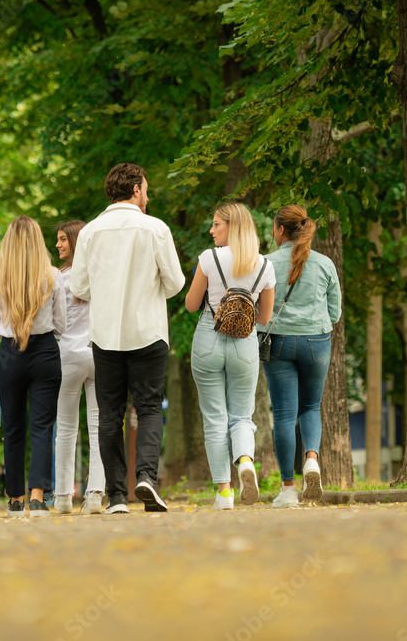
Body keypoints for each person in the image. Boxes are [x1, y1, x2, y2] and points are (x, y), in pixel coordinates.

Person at [70, 163, 185, 514]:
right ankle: (147, 476)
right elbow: (176, 282)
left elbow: (78, 286)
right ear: (135, 189)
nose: (147, 195)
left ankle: (117, 496)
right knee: (149, 406)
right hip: (147, 331)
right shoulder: (156, 229)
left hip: (105, 335)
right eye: (146, 188)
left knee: (109, 414)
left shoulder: (89, 232)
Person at [185, 203, 275, 510]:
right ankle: (246, 461)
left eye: (216, 225)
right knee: (242, 416)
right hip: (245, 343)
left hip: (209, 338)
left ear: (232, 227)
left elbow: (190, 303)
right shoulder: (265, 265)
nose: (211, 231)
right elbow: (263, 317)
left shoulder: (208, 258)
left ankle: (224, 493)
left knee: (214, 418)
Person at [258, 205, 341, 507]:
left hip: (278, 342)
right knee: (311, 408)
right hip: (316, 341)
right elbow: (335, 312)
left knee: (283, 415)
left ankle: (287, 489)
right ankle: (311, 461)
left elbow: (257, 309)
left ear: (280, 230)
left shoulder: (264, 263)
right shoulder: (324, 264)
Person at [0, 216, 66, 518]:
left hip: (9, 352)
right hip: (45, 349)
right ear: (36, 241)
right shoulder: (52, 275)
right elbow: (61, 323)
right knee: (43, 427)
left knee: (13, 427)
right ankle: (38, 497)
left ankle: (15, 499)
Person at [53, 220, 105, 514]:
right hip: (98, 352)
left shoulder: (58, 278)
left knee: (66, 428)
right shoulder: (99, 274)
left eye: (62, 239)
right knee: (99, 427)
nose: (58, 245)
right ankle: (96, 493)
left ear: (75, 240)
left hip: (68, 356)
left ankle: (62, 496)